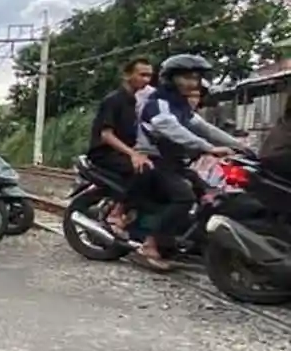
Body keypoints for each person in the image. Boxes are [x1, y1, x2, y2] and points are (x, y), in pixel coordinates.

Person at [136, 54, 246, 269]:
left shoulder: (180, 105)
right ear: (170, 79)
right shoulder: (159, 103)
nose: (192, 83)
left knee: (207, 193)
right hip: (154, 160)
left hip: (174, 163)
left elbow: (205, 128)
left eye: (195, 78)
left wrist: (241, 146)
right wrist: (209, 148)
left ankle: (188, 240)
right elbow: (172, 129)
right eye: (186, 78)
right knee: (184, 197)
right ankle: (149, 245)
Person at [86, 57, 154, 232]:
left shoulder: (134, 101)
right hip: (104, 153)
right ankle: (117, 212)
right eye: (142, 75)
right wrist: (133, 154)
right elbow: (106, 135)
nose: (146, 80)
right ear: (127, 75)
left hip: (121, 152)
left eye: (149, 76)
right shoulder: (114, 100)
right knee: (144, 170)